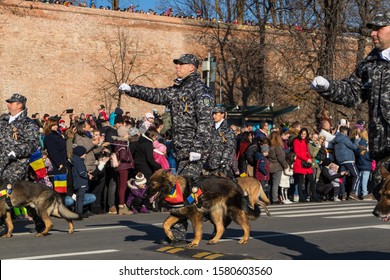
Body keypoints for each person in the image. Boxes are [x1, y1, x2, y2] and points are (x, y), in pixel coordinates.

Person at [119, 53, 214, 244]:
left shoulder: (200, 91)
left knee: (184, 191)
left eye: (181, 64)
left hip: (194, 151)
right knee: (183, 192)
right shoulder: (178, 90)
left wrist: (198, 148)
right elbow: (157, 95)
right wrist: (131, 89)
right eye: (177, 64)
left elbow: (205, 122)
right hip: (180, 150)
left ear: (192, 68)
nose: (177, 66)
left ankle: (187, 226)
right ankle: (193, 222)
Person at [310, 10, 390, 197]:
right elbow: (353, 93)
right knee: (382, 194)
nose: (373, 33)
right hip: (383, 150)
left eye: (379, 28)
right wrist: (327, 86)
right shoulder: (369, 63)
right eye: (372, 29)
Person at [0, 93, 41, 235]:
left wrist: (16, 152)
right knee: (22, 196)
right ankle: (38, 219)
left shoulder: (28, 123)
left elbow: (33, 143)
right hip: (1, 162)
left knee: (5, 192)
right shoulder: (3, 120)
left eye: (11, 102)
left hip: (16, 164)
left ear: (19, 105)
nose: (8, 105)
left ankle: (2, 224)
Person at [204, 105, 236, 178]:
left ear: (222, 114)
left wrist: (224, 160)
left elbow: (229, 146)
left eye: (216, 113)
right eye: (213, 114)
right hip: (208, 164)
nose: (214, 116)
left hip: (221, 164)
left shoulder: (228, 130)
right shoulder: (209, 128)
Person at [70, 146, 94, 218]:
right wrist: (88, 176)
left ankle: (77, 212)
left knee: (78, 198)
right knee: (80, 199)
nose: (85, 155)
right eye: (84, 153)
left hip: (77, 182)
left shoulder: (75, 160)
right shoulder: (79, 161)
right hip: (81, 183)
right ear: (80, 154)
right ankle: (79, 213)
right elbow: (82, 172)